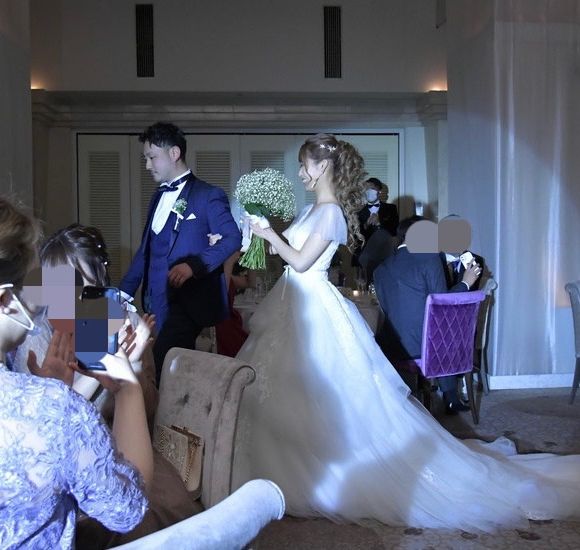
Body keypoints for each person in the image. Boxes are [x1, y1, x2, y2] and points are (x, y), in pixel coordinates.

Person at [232, 134, 580, 531]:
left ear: (323, 166)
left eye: (304, 164)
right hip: (291, 303)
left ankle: (317, 472)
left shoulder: (330, 213)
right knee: (284, 390)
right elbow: (283, 254)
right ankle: (282, 467)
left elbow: (301, 261)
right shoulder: (311, 210)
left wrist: (270, 234)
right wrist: (259, 230)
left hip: (311, 305)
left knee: (321, 393)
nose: (300, 172)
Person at [0, 197, 151, 549]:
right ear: (8, 300)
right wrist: (126, 388)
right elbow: (128, 508)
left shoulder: (117, 318)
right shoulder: (41, 349)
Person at [120, 122, 241, 382]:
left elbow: (233, 238)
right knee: (156, 368)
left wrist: (194, 265)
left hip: (187, 303)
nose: (147, 165)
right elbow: (146, 250)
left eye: (152, 157)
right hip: (152, 301)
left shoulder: (208, 195)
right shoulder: (157, 197)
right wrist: (123, 292)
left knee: (163, 366)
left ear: (174, 153)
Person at [12, 223, 159, 426]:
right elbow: (40, 421)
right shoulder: (37, 334)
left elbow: (150, 410)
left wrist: (132, 369)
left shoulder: (129, 324)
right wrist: (102, 363)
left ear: (99, 277)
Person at [373, 215, 481, 414]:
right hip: (424, 346)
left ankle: (433, 396)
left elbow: (387, 308)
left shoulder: (380, 268)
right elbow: (442, 303)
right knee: (446, 330)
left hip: (391, 346)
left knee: (434, 328)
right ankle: (451, 397)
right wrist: (466, 283)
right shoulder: (429, 258)